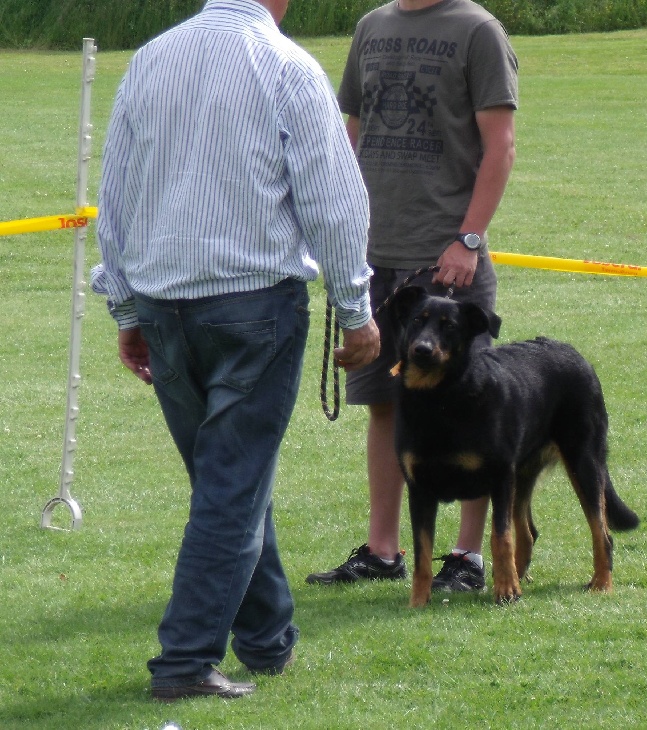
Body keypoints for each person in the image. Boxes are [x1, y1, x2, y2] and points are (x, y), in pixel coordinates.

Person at [96, 0, 380, 702]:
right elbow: (334, 199)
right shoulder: (286, 64)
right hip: (253, 302)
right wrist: (356, 309)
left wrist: (125, 306)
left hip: (165, 303)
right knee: (231, 485)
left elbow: (117, 194)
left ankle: (267, 638)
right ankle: (186, 662)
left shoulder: (151, 59)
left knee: (229, 478)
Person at [306, 0, 518, 592]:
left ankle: (467, 558)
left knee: (473, 405)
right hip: (375, 253)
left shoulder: (478, 30)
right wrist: (340, 227)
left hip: (445, 257)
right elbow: (351, 134)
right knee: (383, 403)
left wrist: (468, 239)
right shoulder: (372, 27)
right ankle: (383, 549)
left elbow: (499, 145)